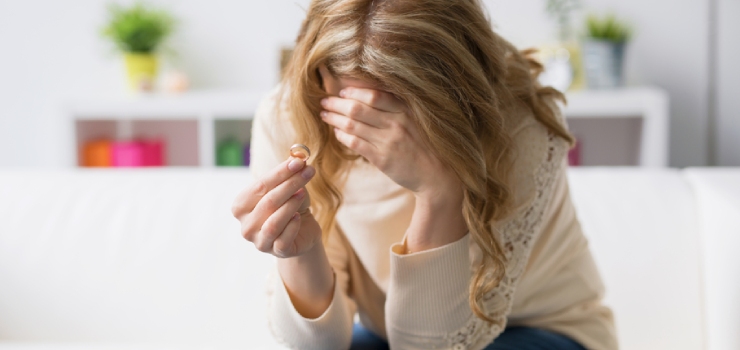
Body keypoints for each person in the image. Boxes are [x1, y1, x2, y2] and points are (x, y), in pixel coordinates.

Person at [231, 0, 617, 349]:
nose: (365, 128)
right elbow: (320, 345)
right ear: (318, 75)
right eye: (346, 104)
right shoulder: (289, 115)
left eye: (392, 105)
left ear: (453, 89)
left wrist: (438, 193)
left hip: (541, 329)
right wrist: (301, 251)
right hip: (395, 331)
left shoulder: (518, 124)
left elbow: (432, 347)